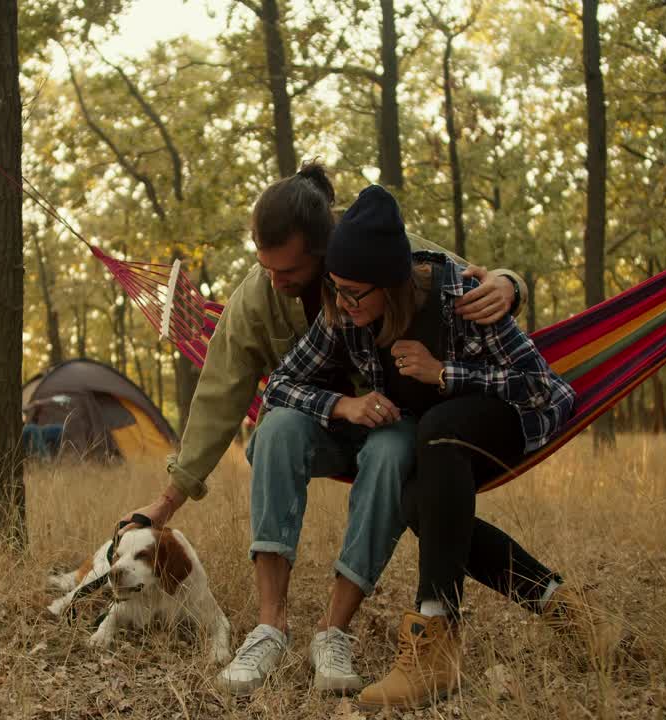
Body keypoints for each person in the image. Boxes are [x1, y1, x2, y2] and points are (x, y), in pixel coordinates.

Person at [117, 162, 530, 696]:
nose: (275, 280)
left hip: (396, 428)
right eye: (266, 267)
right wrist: (168, 501)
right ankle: (270, 626)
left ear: (325, 249)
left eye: (287, 271)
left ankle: (333, 632)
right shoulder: (256, 299)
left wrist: (509, 284)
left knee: (391, 454)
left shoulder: (373, 248)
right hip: (324, 425)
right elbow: (222, 394)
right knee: (278, 428)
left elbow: (461, 277)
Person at [263, 185, 626, 710]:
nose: (341, 303)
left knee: (435, 432)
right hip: (443, 445)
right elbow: (279, 386)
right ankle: (568, 610)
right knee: (419, 503)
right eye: (335, 289)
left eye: (354, 293)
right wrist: (341, 406)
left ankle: (436, 635)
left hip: (513, 421)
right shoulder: (344, 308)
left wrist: (443, 373)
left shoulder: (461, 297)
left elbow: (541, 386)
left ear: (392, 283)